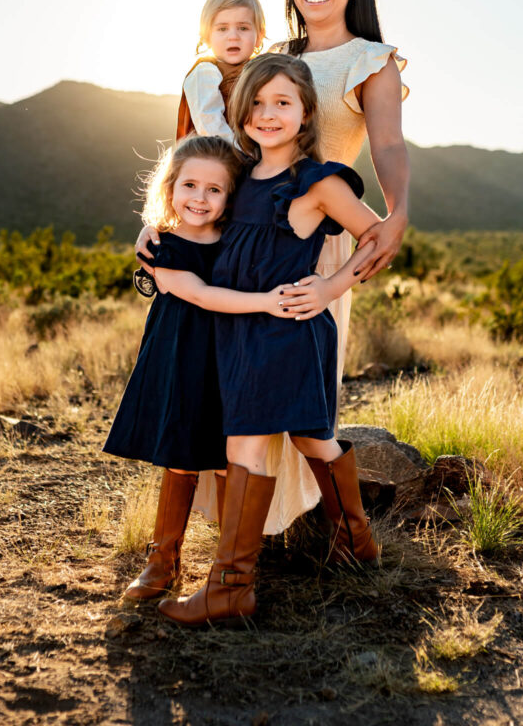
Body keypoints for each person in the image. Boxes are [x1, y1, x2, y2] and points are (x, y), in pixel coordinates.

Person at [139, 0, 410, 533]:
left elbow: (388, 143)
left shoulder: (371, 58)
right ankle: (238, 549)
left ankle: (332, 533)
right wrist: (163, 225)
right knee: (222, 390)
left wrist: (398, 212)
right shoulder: (270, 57)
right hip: (238, 236)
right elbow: (204, 149)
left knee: (300, 401)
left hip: (319, 237)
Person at [158, 53, 382, 627]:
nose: (268, 113)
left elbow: (376, 238)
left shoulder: (316, 183)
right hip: (237, 331)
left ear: (306, 112)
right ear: (240, 110)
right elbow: (190, 203)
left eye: (283, 102)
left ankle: (237, 586)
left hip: (288, 333)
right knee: (304, 442)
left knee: (282, 445)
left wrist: (330, 287)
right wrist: (149, 230)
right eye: (256, 102)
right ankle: (355, 547)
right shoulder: (235, 175)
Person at [103, 134, 310, 601]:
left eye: (214, 190)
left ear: (230, 197)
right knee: (180, 452)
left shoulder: (237, 239)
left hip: (232, 354)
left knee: (226, 454)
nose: (200, 198)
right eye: (190, 186)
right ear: (170, 188)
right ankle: (163, 560)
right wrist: (264, 302)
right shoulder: (165, 246)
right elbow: (198, 294)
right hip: (180, 353)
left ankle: (224, 570)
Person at [176, 0, 265, 142]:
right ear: (207, 36)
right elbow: (209, 124)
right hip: (217, 158)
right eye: (222, 29)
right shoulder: (205, 72)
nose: (233, 36)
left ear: (259, 36)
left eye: (243, 28)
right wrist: (242, 156)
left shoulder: (261, 71)